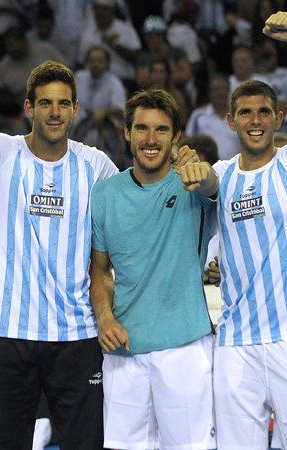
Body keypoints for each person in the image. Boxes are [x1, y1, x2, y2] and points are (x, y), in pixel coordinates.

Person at [0, 5, 119, 448]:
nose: (55, 111)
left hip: (77, 335)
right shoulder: (1, 154)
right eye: (45, 102)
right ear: (29, 107)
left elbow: (126, 219)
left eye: (64, 103)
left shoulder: (97, 165)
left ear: (77, 109)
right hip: (7, 332)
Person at [206, 11, 287, 449]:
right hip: (235, 344)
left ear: (279, 117)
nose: (256, 120)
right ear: (231, 121)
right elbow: (204, 184)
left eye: (265, 111)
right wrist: (191, 169)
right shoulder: (221, 175)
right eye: (246, 112)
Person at [90, 89, 217, 449]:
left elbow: (212, 184)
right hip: (123, 352)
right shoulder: (104, 195)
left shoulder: (193, 182)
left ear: (176, 137)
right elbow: (98, 271)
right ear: (127, 133)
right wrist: (104, 318)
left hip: (186, 349)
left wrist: (201, 171)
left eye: (161, 130)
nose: (150, 139)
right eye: (141, 129)